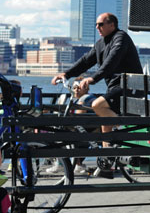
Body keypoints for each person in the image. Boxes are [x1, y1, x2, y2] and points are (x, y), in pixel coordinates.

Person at [51, 12, 143, 148]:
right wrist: (66, 74)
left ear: (112, 25)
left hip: (130, 86)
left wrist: (93, 79)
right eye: (96, 25)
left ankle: (122, 130)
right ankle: (108, 160)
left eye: (100, 24)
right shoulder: (101, 43)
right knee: (105, 123)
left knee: (97, 105)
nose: (97, 27)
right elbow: (86, 61)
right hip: (114, 87)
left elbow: (112, 61)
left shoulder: (120, 38)